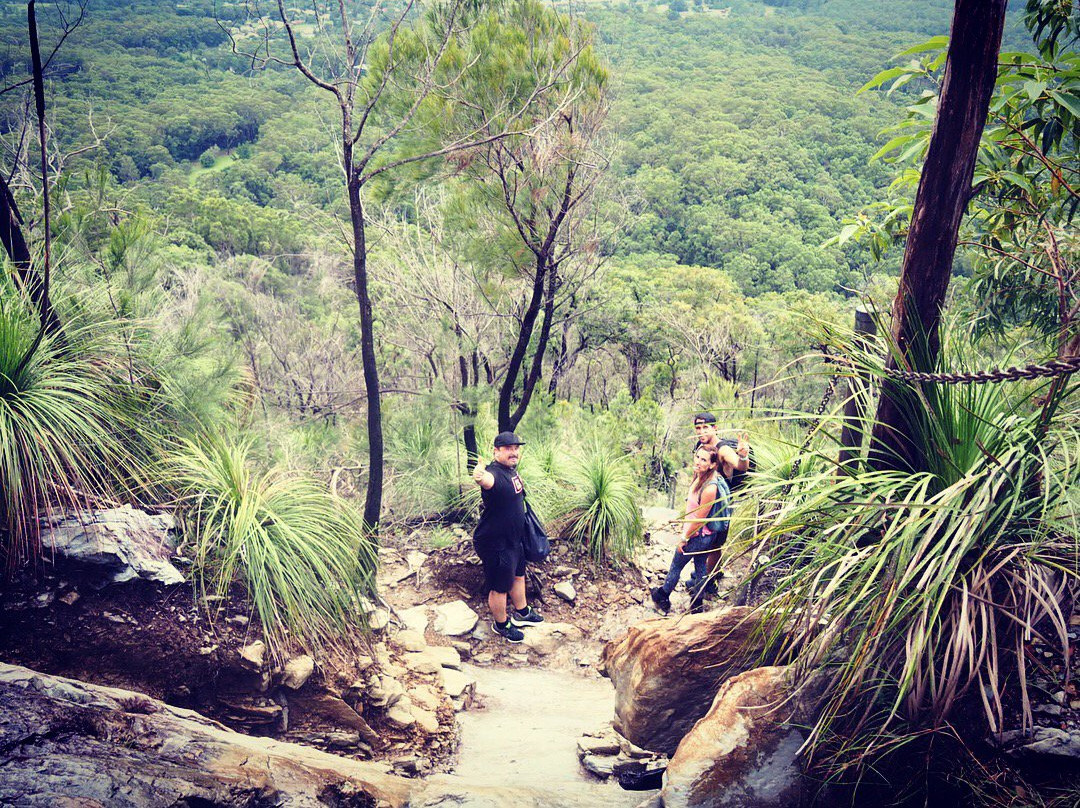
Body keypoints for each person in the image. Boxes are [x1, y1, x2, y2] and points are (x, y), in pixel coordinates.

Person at [472, 431, 544, 643]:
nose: (514, 452)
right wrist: (479, 475)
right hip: (495, 543)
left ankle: (522, 613)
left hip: (513, 540)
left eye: (516, 448)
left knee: (518, 575)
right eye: (508, 448)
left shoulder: (511, 470)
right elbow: (486, 480)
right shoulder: (494, 473)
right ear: (496, 452)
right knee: (500, 586)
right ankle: (501, 624)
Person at [650, 445, 730, 613]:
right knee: (700, 566)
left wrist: (685, 538)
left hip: (697, 536)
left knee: (676, 566)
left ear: (712, 465)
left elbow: (699, 520)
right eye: (697, 457)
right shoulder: (701, 477)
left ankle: (662, 596)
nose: (698, 462)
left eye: (704, 460)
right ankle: (697, 603)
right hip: (705, 536)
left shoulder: (709, 488)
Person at [691, 412, 750, 594]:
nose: (701, 432)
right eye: (698, 428)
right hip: (705, 502)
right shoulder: (701, 446)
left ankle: (709, 580)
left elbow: (740, 466)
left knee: (715, 543)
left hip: (721, 506)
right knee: (702, 540)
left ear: (714, 428)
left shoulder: (722, 449)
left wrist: (743, 456)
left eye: (705, 427)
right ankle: (705, 574)